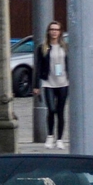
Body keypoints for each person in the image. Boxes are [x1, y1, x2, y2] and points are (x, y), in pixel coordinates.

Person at [36, 21, 70, 150]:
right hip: (48, 83)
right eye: (52, 29)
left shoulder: (65, 47)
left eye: (57, 29)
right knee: (51, 109)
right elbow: (38, 67)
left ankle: (60, 139)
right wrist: (36, 85)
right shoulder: (43, 47)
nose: (54, 32)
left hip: (63, 83)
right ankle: (50, 136)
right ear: (48, 32)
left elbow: (70, 64)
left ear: (60, 32)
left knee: (60, 111)